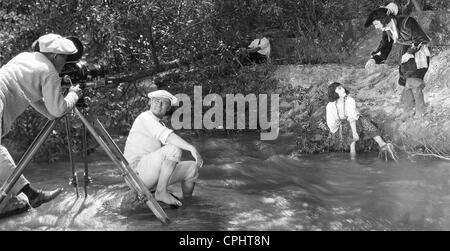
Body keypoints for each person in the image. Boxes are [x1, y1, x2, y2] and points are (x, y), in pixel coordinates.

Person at [0, 33, 83, 211]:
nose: (64, 64)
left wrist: (51, 112)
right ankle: (31, 194)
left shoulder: (25, 57)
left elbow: (32, 97)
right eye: (65, 59)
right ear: (55, 56)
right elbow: (59, 109)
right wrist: (74, 94)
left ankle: (31, 194)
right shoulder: (49, 71)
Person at [123, 90, 203, 207]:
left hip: (150, 173)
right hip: (137, 173)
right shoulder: (145, 117)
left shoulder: (159, 123)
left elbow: (167, 159)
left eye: (164, 103)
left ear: (168, 108)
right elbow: (168, 136)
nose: (159, 105)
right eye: (156, 101)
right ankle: (161, 192)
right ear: (150, 102)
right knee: (174, 149)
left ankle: (188, 204)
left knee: (192, 168)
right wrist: (191, 148)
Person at [364, 2, 431, 119]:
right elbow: (385, 45)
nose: (376, 27)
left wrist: (410, 53)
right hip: (405, 54)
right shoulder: (387, 29)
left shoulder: (407, 22)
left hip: (419, 54)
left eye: (376, 23)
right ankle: (408, 110)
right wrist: (374, 59)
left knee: (413, 81)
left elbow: (421, 39)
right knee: (406, 81)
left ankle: (421, 111)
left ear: (384, 19)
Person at [326, 82, 396, 159]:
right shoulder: (330, 106)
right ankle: (353, 154)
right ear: (333, 93)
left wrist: (355, 132)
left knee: (362, 119)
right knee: (350, 124)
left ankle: (382, 144)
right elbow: (331, 124)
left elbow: (352, 118)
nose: (343, 89)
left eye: (342, 87)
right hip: (341, 129)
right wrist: (336, 124)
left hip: (355, 123)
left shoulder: (350, 100)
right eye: (339, 89)